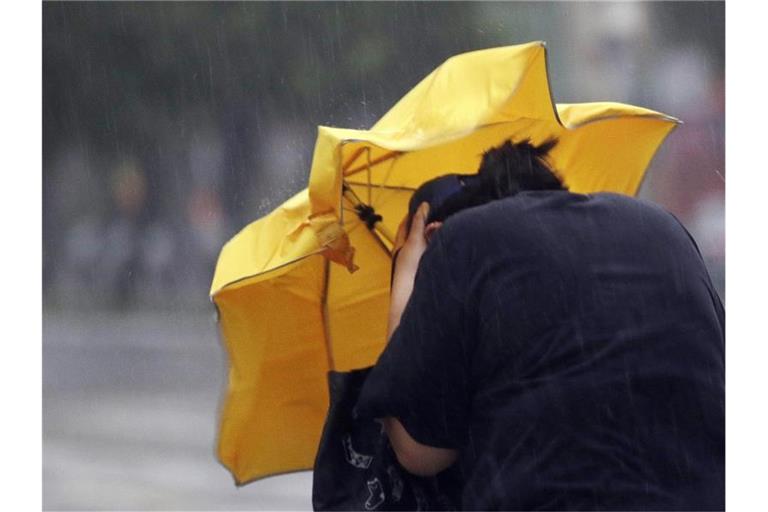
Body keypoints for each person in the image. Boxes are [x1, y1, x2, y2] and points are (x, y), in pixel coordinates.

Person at [355, 139, 725, 510]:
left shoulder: (463, 239)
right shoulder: (660, 226)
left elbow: (418, 450)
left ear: (433, 232)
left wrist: (406, 275)